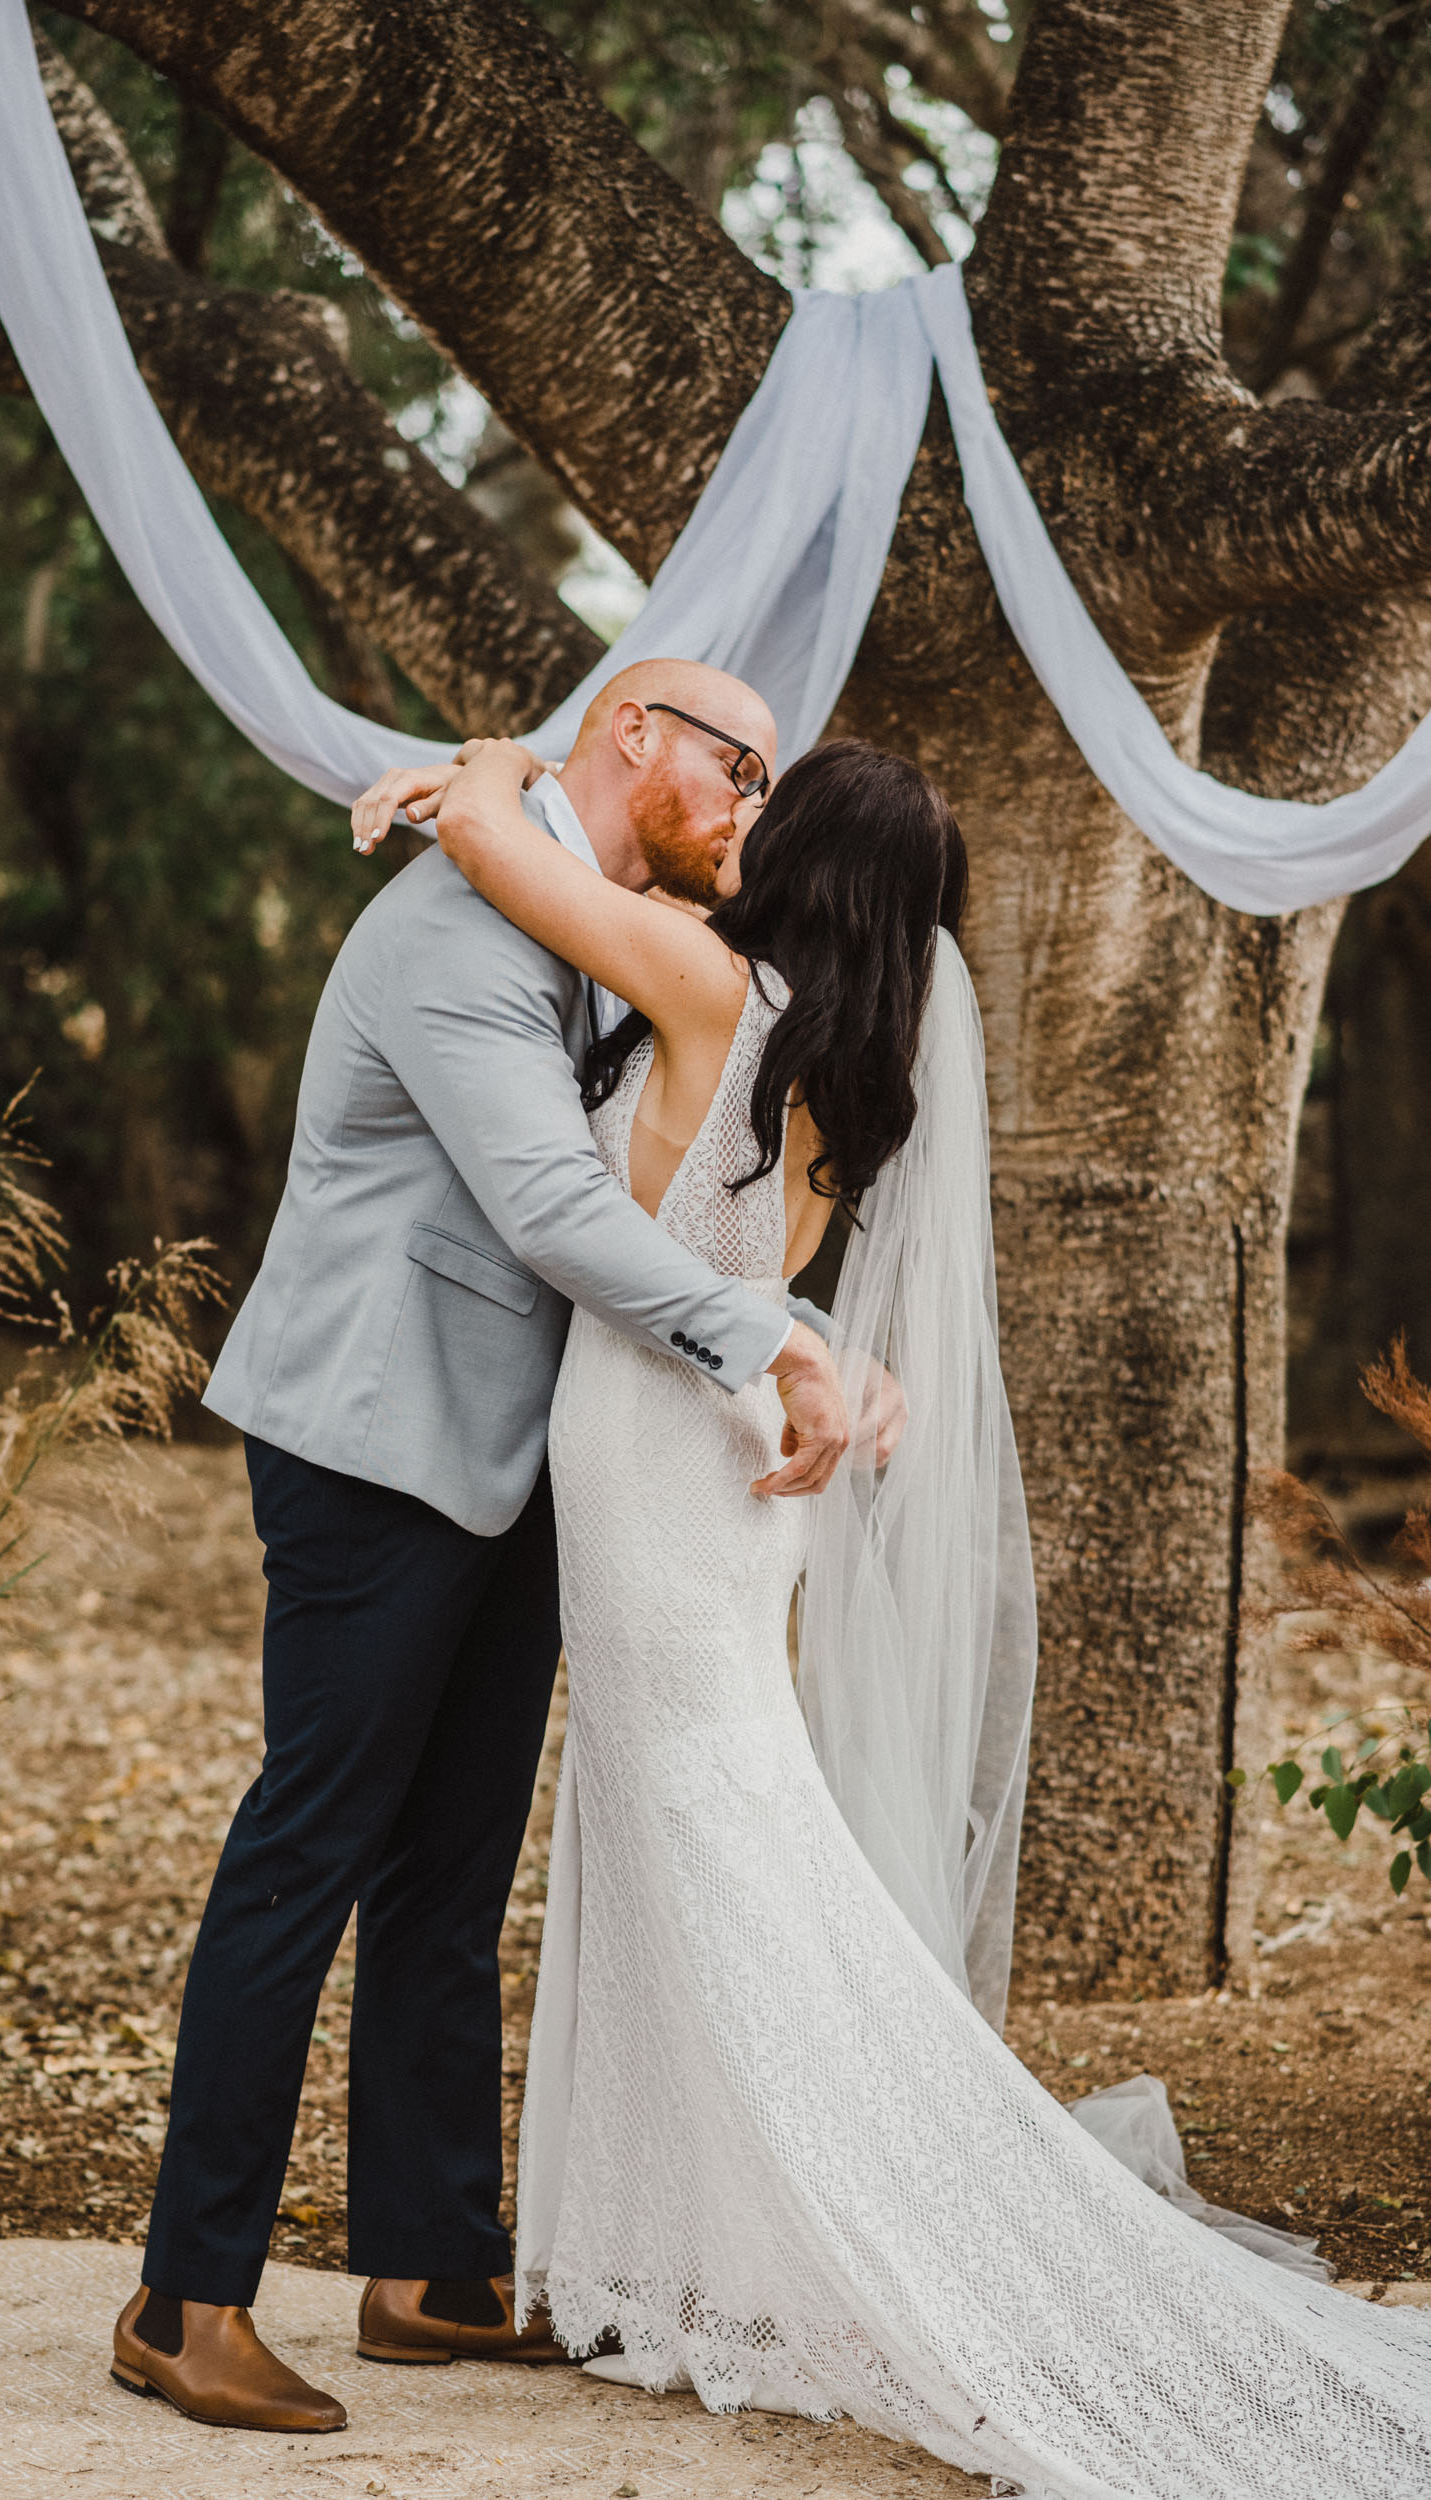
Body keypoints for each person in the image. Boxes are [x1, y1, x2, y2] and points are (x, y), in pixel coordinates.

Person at [391, 729, 1431, 2500]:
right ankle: (687, 2241)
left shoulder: (710, 982)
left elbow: (500, 845)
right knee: (688, 1809)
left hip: (653, 1445)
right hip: (721, 1450)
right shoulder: (851, 1059)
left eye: (761, 809)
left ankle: (837, 2207)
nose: (734, 823)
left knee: (698, 1822)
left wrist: (463, 770)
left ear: (801, 859)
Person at [109, 661, 860, 2432]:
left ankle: (427, 2264)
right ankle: (182, 2294)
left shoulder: (587, 911)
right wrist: (772, 1334)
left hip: (515, 1462)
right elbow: (546, 1205)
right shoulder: (459, 935)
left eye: (769, 772)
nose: (751, 796)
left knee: (447, 1877)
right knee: (306, 1850)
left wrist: (494, 769)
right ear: (632, 737)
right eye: (730, 760)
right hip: (375, 1443)